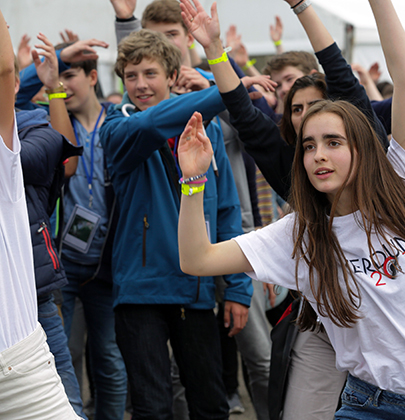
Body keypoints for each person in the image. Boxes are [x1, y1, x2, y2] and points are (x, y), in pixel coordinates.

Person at [180, 1, 405, 419]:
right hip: (370, 408)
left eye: (333, 142)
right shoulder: (300, 235)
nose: (318, 156)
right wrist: (193, 180)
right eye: (308, 146)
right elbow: (197, 258)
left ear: (360, 147)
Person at [99, 29, 252, 420]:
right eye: (130, 76)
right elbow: (151, 126)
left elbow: (226, 209)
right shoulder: (117, 126)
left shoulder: (208, 130)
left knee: (210, 404)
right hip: (139, 290)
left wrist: (237, 287)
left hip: (195, 286)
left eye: (150, 73)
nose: (139, 84)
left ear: (172, 76)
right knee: (152, 408)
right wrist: (228, 90)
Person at [16, 34, 129, 419]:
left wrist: (52, 90)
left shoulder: (116, 120)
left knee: (110, 359)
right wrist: (51, 81)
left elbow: (66, 162)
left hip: (105, 264)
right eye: (60, 76)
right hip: (62, 260)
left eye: (71, 75)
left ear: (93, 77)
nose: (64, 82)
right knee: (68, 355)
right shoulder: (39, 116)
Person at [0, 7, 80, 418]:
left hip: (35, 295)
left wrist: (50, 89)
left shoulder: (35, 125)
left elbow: (47, 162)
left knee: (66, 401)